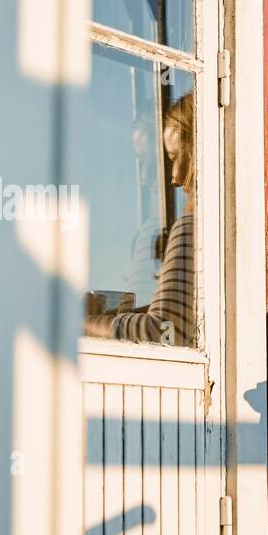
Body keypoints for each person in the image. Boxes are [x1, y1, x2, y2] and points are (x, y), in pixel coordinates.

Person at [85, 92, 197, 346]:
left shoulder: (189, 229)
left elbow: (166, 330)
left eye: (174, 158)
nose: (174, 178)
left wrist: (81, 323)